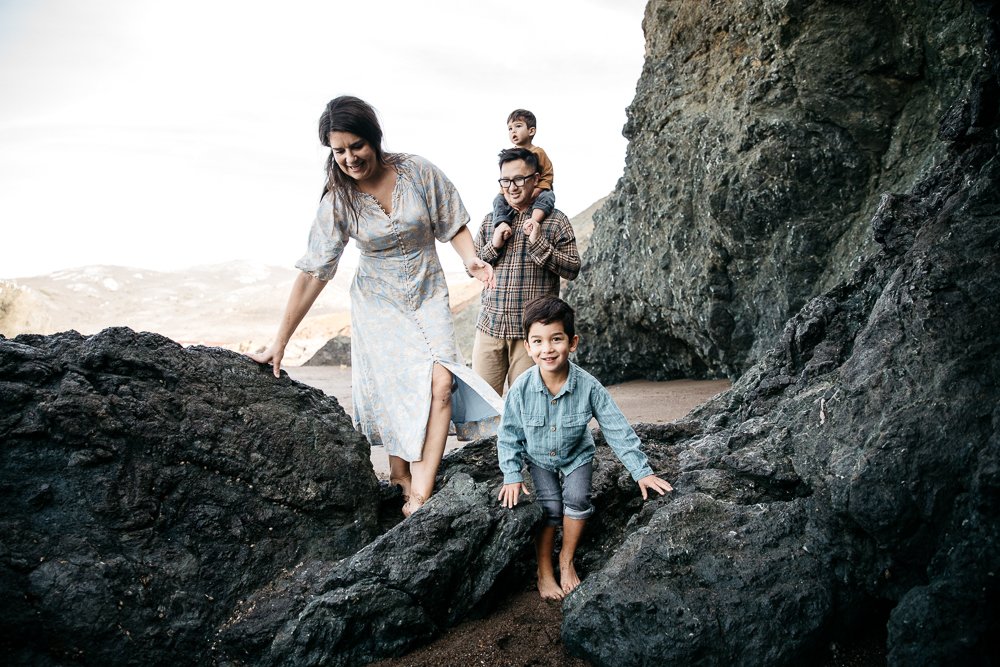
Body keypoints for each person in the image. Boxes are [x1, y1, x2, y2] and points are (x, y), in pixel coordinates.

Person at [251, 96, 503, 517]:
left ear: (374, 138)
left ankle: (418, 497)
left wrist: (470, 258)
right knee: (398, 390)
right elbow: (315, 271)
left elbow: (453, 222)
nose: (349, 158)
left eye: (356, 146)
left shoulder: (417, 171)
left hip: (427, 292)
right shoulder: (338, 200)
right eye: (339, 150)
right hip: (378, 304)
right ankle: (400, 474)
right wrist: (281, 341)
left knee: (442, 382)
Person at [496, 296, 674, 599]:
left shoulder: (589, 386)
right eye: (537, 341)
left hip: (577, 455)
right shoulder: (521, 389)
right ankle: (544, 571)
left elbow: (616, 428)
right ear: (527, 346)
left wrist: (641, 472)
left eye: (556, 339)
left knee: (577, 499)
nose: (547, 349)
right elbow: (509, 434)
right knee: (550, 507)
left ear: (572, 341)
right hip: (538, 457)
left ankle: (566, 561)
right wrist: (511, 474)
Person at [472, 147, 580, 396]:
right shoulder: (491, 221)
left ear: (535, 179)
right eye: (506, 180)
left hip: (531, 334)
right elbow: (474, 266)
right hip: (490, 327)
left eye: (519, 179)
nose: (512, 187)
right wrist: (494, 244)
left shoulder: (555, 221)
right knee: (482, 406)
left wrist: (539, 242)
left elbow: (573, 268)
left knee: (526, 405)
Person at [491, 109, 555, 240]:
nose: (513, 131)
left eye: (518, 126)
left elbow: (548, 175)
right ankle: (502, 223)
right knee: (498, 200)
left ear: (531, 131)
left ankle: (533, 221)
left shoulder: (538, 152)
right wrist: (507, 196)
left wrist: (537, 190)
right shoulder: (509, 156)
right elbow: (505, 179)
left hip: (538, 191)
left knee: (548, 196)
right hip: (515, 194)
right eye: (509, 129)